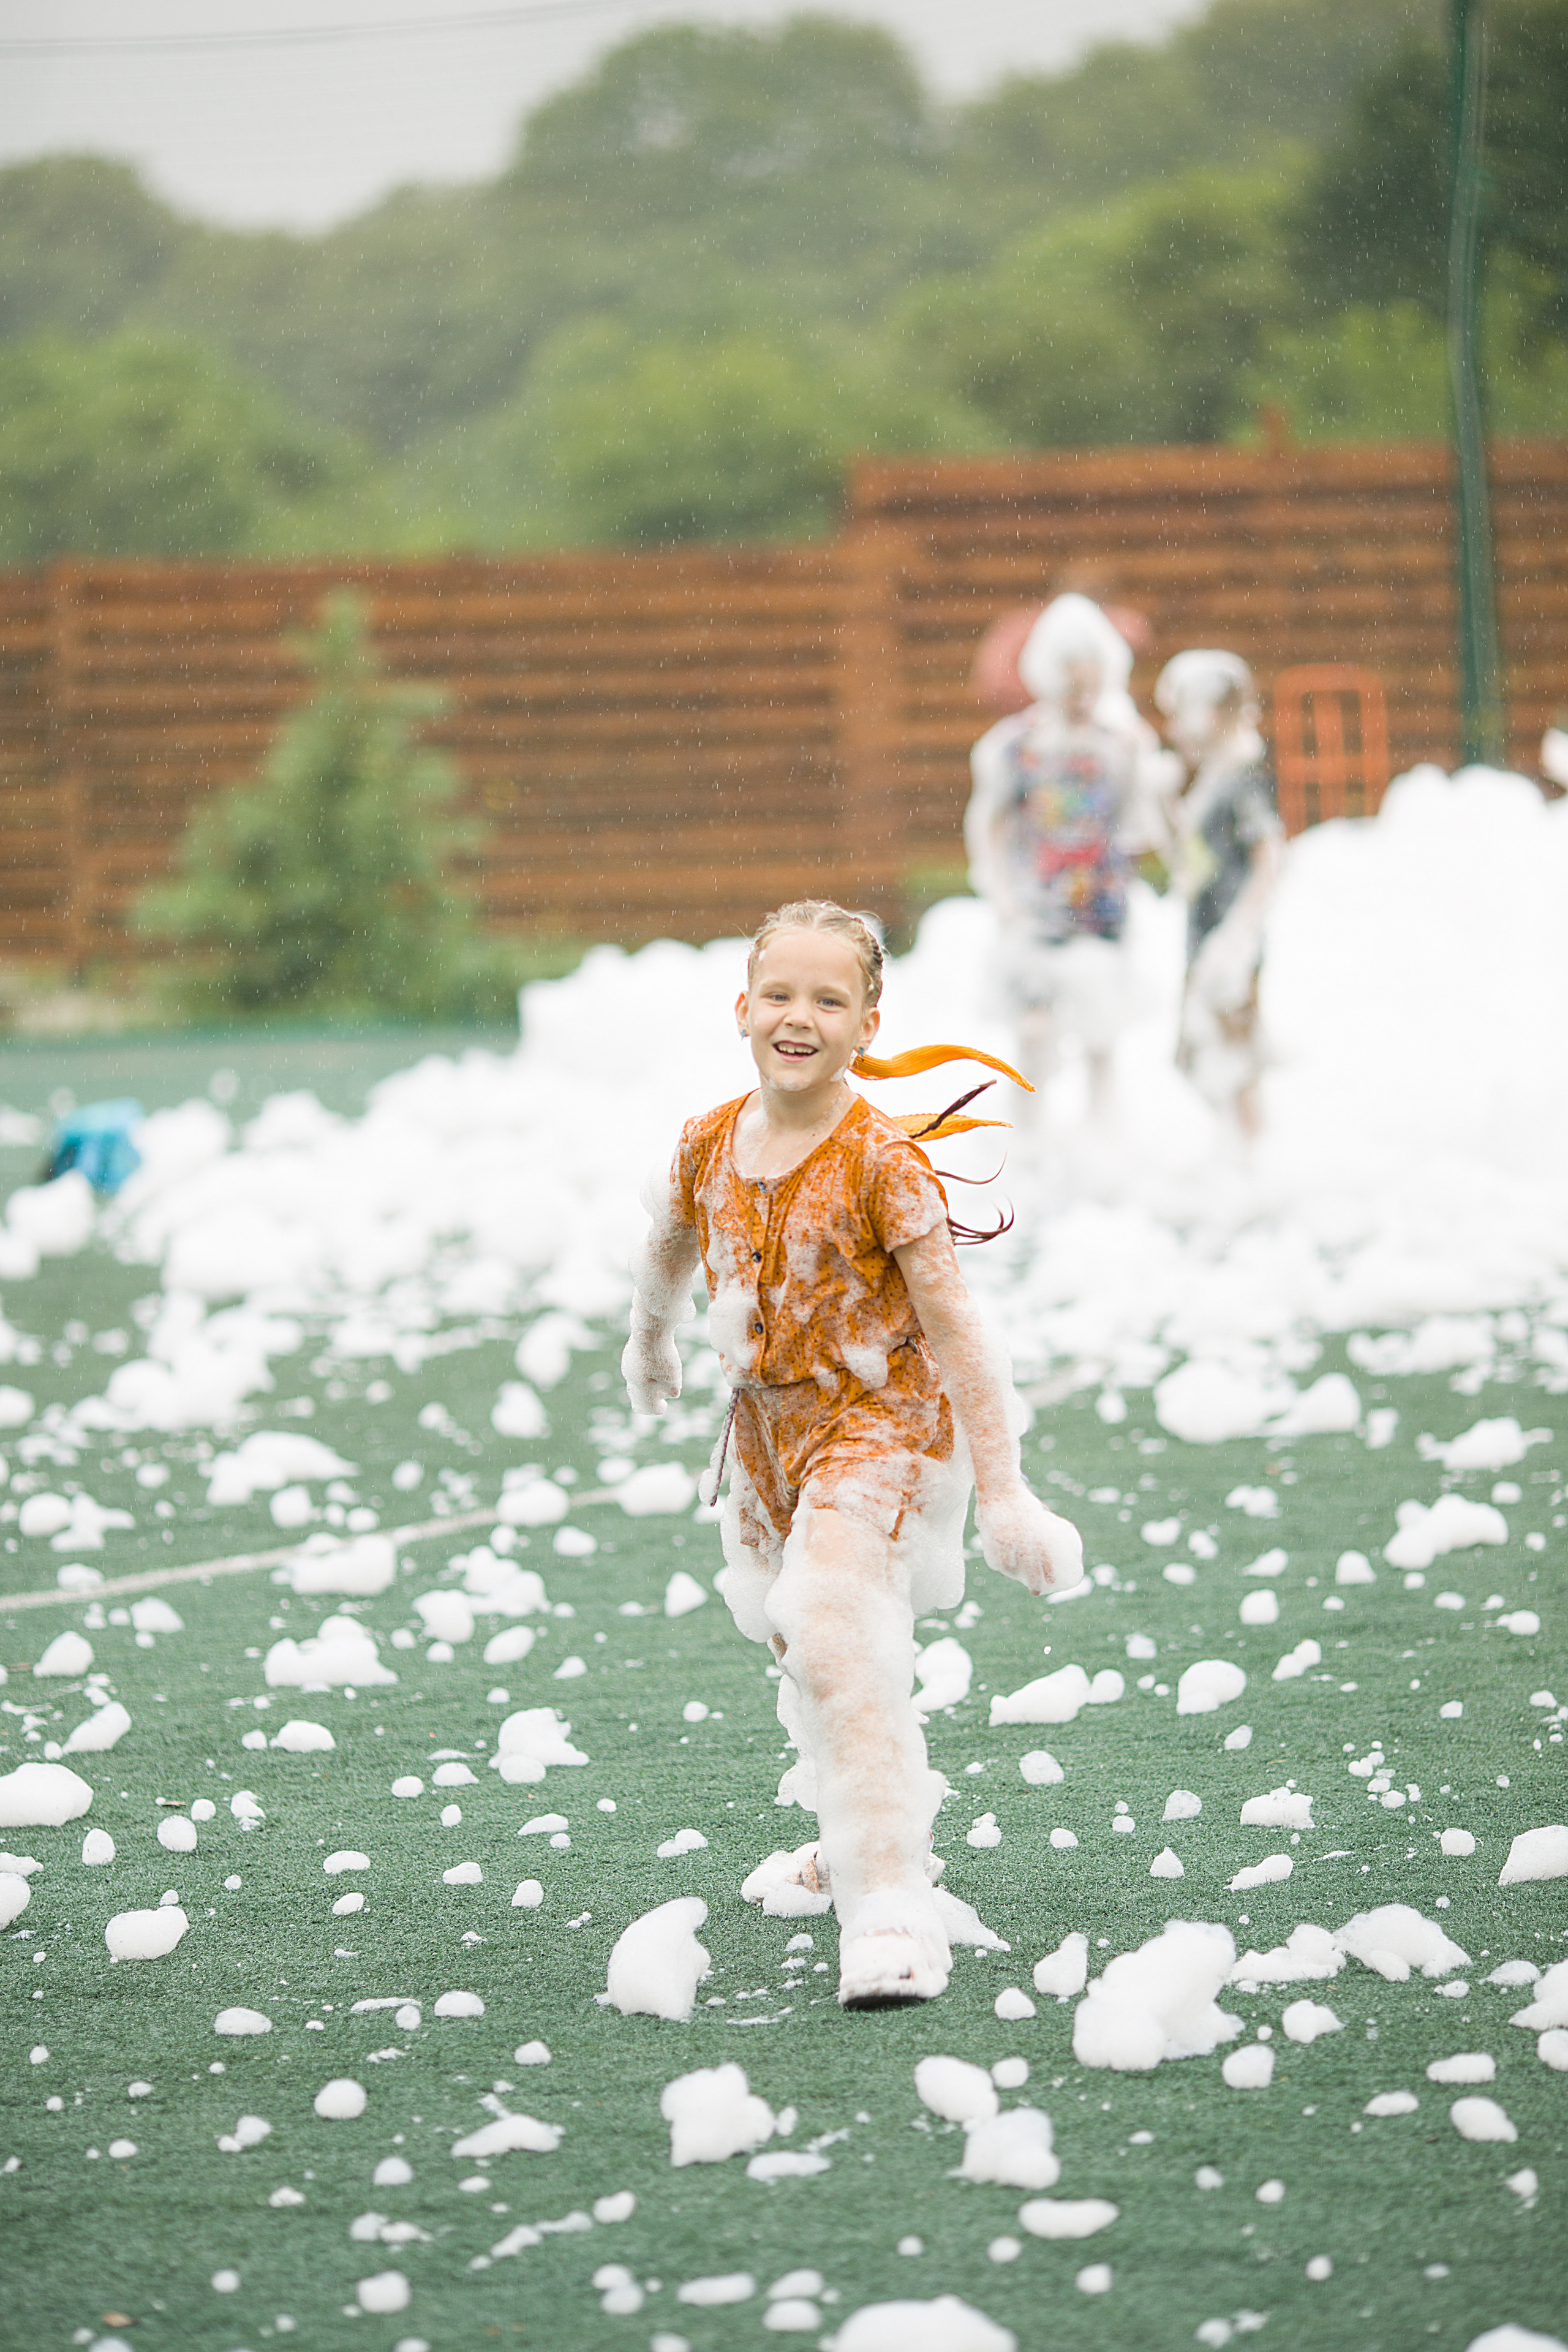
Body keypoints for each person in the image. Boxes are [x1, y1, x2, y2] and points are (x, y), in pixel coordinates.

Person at [621, 900, 1084, 2009]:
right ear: (742, 1009)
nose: (800, 1016)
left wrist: (1008, 1492)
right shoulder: (704, 1141)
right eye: (780, 993)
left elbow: (962, 1327)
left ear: (868, 1025)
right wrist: (651, 1341)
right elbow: (670, 1245)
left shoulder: (882, 1162)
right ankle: (857, 1829)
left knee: (832, 1618)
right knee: (810, 1642)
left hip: (886, 1427)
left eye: (831, 999)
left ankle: (889, 1906)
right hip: (768, 1435)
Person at [966, 594, 1173, 1121]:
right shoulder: (1017, 746)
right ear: (1048, 676)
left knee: (1101, 1033)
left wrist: (1154, 786)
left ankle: (1100, 1141)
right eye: (1072, 683)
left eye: (1092, 683)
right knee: (1034, 1031)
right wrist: (1003, 894)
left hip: (1100, 908)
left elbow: (1138, 828)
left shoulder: (1117, 746)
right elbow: (992, 824)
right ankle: (1027, 1139)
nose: (1082, 696)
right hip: (1036, 905)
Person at [1155, 649, 1285, 1137]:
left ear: (1210, 715)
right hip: (1206, 934)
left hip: (1229, 941)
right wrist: (1163, 801)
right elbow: (1188, 862)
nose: (1173, 732)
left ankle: (1252, 1151)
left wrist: (1238, 935)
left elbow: (1270, 856)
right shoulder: (1213, 780)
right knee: (1202, 1049)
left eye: (1178, 718)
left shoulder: (1242, 780)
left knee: (1234, 1049)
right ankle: (1236, 1146)